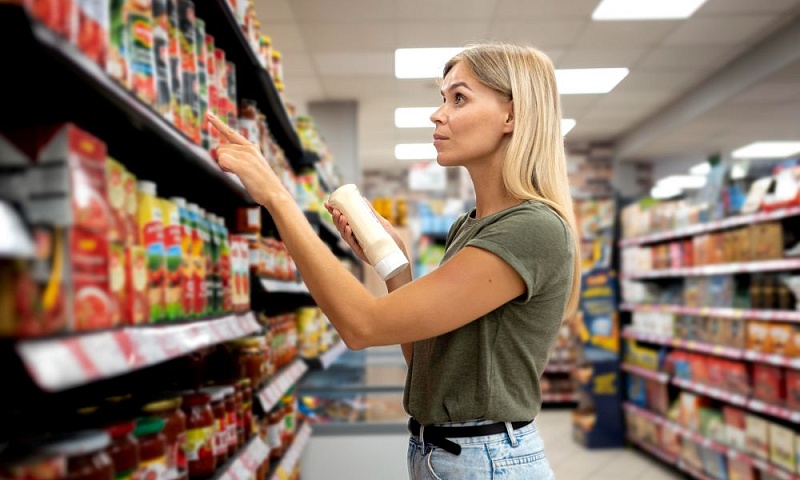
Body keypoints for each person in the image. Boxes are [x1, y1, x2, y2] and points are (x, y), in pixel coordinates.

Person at [207, 41, 580, 480]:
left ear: (512, 116)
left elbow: (361, 326)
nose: (437, 113)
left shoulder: (530, 228)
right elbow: (426, 363)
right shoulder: (471, 225)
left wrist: (276, 198)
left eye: (458, 98)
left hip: (487, 460)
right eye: (442, 98)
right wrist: (394, 266)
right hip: (444, 452)